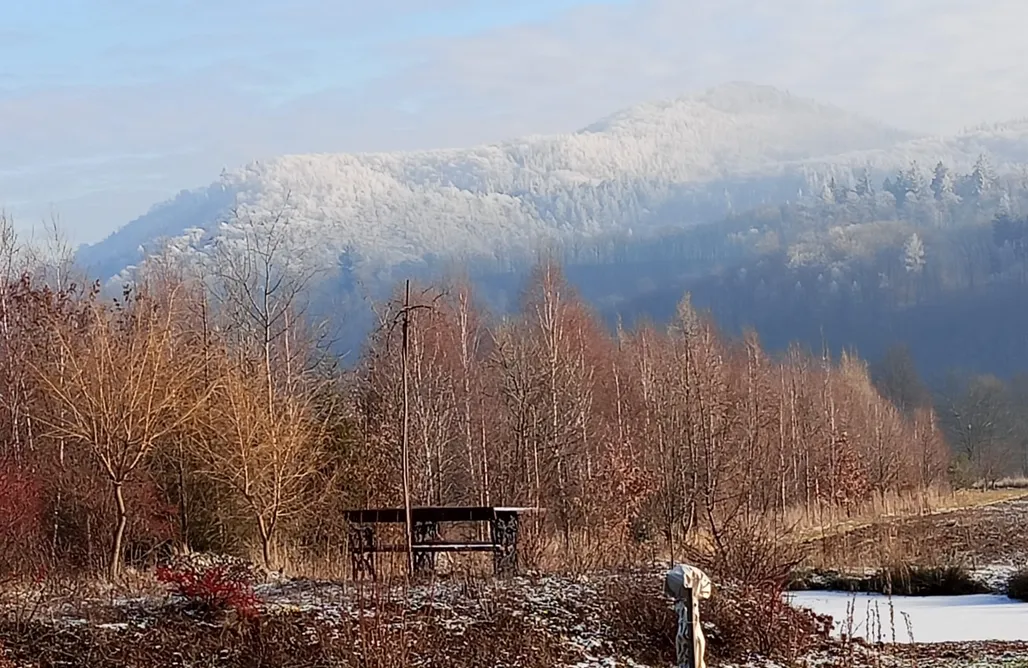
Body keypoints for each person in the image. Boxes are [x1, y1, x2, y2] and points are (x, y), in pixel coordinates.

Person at [664, 564, 713, 668]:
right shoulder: (683, 606)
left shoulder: (690, 608)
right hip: (688, 630)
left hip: (692, 632)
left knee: (691, 642)